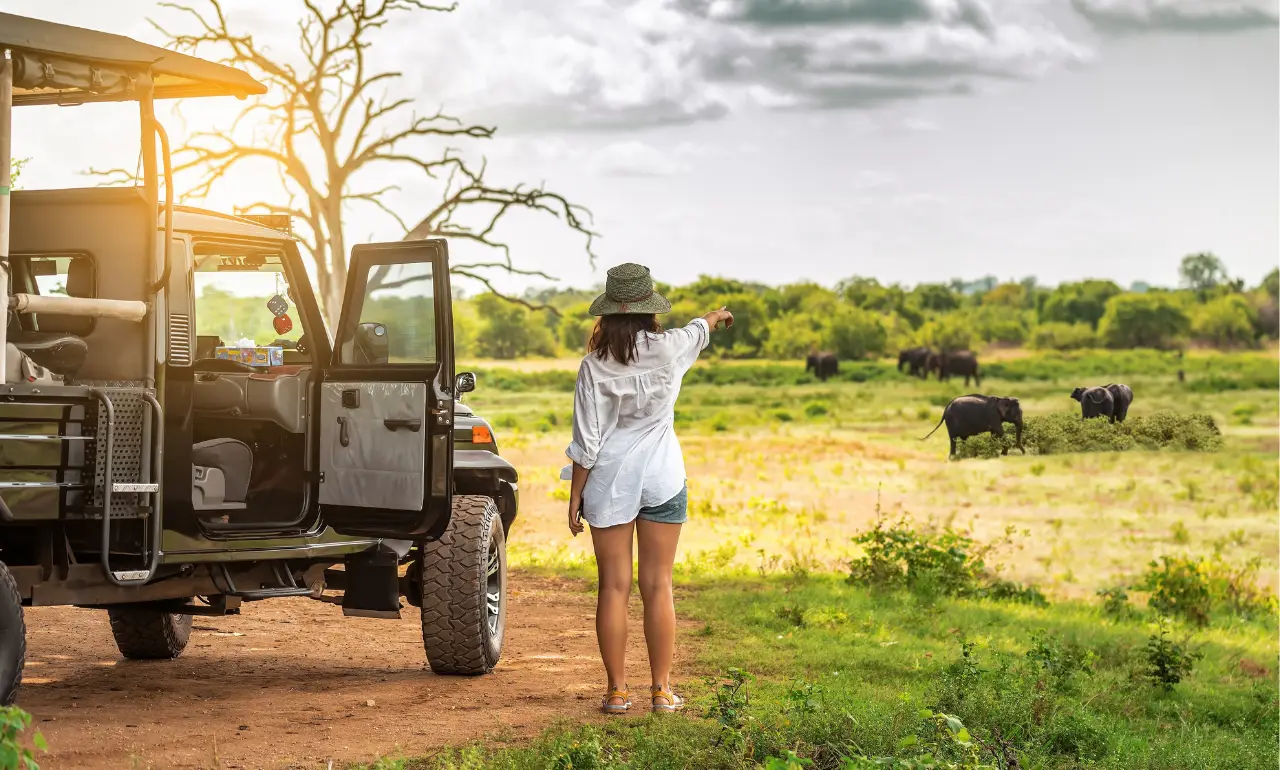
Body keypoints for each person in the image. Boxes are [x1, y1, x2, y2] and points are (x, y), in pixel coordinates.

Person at [563, 262, 733, 716]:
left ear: (607, 315)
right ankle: (661, 691)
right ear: (650, 310)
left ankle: (617, 692)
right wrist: (716, 316)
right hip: (663, 477)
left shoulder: (592, 367)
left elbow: (587, 441)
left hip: (609, 483)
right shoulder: (671, 348)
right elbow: (698, 330)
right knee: (658, 585)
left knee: (613, 587)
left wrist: (575, 495)